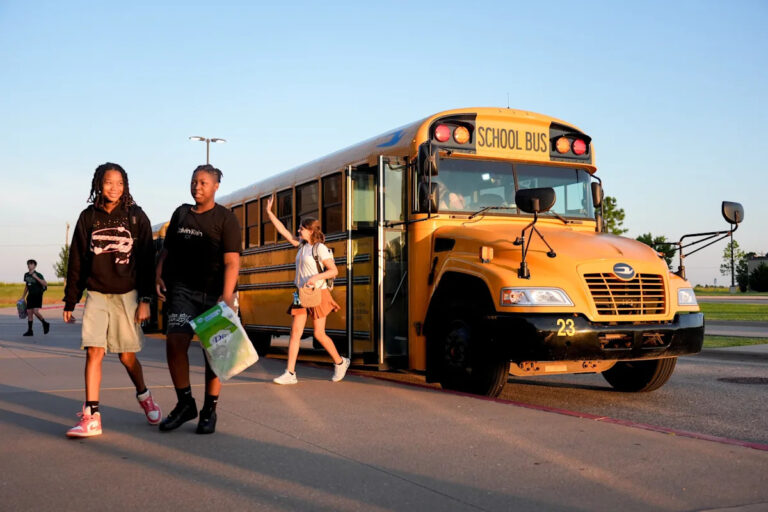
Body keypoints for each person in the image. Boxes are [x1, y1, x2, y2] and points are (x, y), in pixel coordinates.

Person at [63, 162, 162, 438]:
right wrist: (71, 300)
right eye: (108, 182)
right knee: (94, 351)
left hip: (127, 295)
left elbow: (145, 261)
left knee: (127, 357)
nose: (114, 188)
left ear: (126, 185)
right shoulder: (88, 218)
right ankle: (91, 416)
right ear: (99, 184)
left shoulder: (135, 216)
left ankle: (144, 396)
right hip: (96, 294)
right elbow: (77, 261)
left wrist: (145, 299)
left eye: (119, 183)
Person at [155, 164, 241, 435]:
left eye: (203, 182)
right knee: (175, 342)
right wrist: (158, 275)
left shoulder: (226, 219)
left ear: (216, 186)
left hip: (213, 294)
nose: (197, 186)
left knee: (215, 353)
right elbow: (166, 251)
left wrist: (226, 297)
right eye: (194, 181)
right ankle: (185, 403)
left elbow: (232, 262)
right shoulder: (180, 214)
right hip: (182, 291)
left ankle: (209, 410)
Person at [265, 195, 350, 385]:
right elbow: (284, 232)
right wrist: (270, 213)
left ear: (310, 231)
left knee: (319, 334)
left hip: (318, 293)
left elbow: (333, 271)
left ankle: (340, 361)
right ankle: (290, 373)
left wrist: (314, 278)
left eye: (301, 228)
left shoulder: (319, 248)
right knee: (295, 332)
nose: (298, 231)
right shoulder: (301, 246)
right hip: (300, 294)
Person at [20, 259, 50, 336]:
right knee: (29, 313)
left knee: (35, 311)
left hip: (38, 295)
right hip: (30, 296)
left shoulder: (38, 274)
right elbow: (27, 286)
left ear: (34, 265)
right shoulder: (26, 275)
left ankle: (45, 323)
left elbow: (45, 284)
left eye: (31, 264)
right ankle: (30, 331)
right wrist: (23, 296)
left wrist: (36, 277)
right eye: (28, 264)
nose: (29, 265)